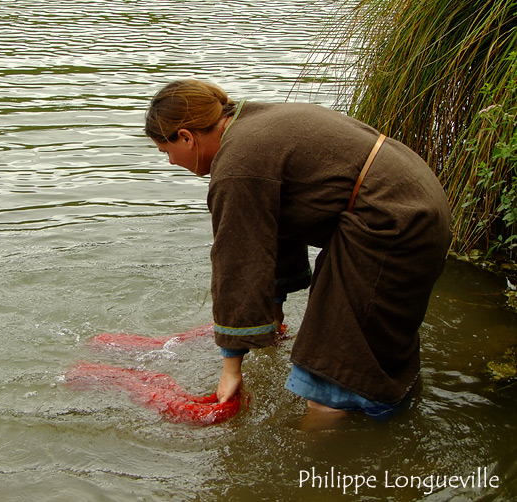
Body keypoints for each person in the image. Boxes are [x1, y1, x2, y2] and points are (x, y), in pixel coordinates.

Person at [144, 79, 452, 421]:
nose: (170, 162)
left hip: (395, 221)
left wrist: (231, 369)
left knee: (330, 376)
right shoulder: (252, 121)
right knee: (369, 349)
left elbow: (238, 261)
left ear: (186, 137)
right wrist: (273, 315)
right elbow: (274, 226)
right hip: (415, 199)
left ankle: (322, 449)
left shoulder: (236, 164)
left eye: (166, 151)